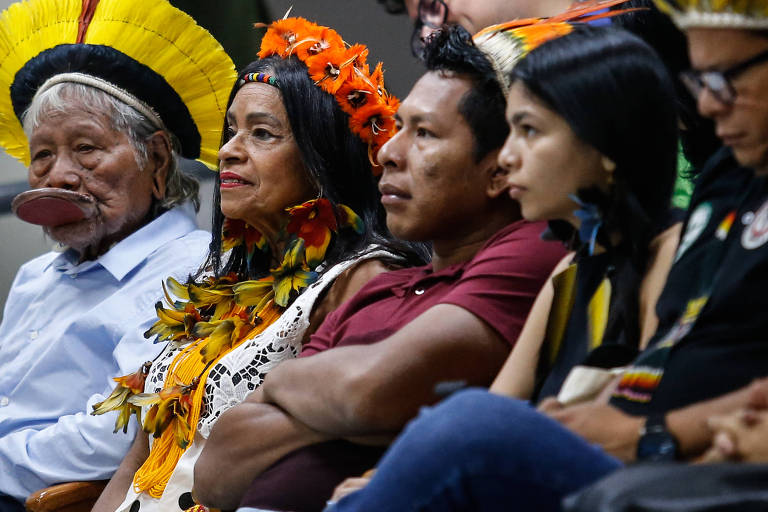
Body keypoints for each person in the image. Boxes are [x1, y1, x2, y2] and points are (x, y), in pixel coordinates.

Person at [323, 23, 725, 512]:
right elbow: (503, 404)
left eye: (529, 131)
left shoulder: (678, 253)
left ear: (604, 144)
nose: (508, 158)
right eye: (511, 130)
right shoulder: (570, 270)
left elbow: (631, 424)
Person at [194, 19, 566, 512]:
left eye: (425, 133)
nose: (388, 151)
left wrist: (288, 388)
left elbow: (365, 393)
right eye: (401, 127)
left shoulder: (531, 250)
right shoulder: (388, 290)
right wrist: (356, 410)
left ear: (501, 169)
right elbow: (214, 473)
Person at [92, 15, 425, 512]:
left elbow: (329, 457)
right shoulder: (221, 281)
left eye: (262, 134)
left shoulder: (361, 281)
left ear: (323, 159)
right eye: (231, 131)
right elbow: (136, 460)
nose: (229, 151)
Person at [0, 0, 236, 508]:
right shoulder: (34, 276)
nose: (58, 175)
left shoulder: (195, 270)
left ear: (155, 158)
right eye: (42, 155)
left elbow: (113, 436)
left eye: (86, 148)